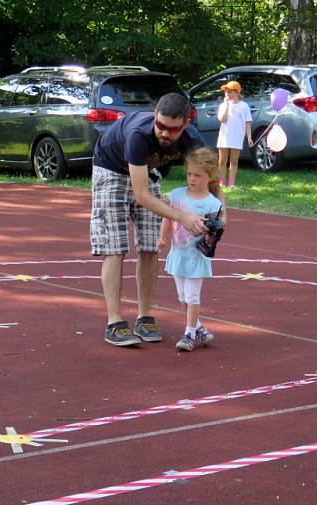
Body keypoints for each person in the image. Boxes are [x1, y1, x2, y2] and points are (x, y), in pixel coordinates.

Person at [90, 92, 224, 347]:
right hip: (110, 169)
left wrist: (221, 215)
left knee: (150, 245)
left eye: (172, 129)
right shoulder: (138, 135)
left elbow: (211, 177)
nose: (164, 133)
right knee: (115, 248)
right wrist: (182, 216)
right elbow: (141, 194)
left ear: (185, 125)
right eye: (160, 125)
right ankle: (115, 322)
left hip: (145, 171)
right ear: (155, 117)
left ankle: (145, 317)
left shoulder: (191, 140)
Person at [157, 147, 226, 351]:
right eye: (189, 174)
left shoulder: (212, 203)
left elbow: (215, 229)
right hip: (178, 253)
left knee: (192, 296)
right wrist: (162, 237)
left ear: (210, 176)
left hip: (196, 255)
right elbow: (168, 215)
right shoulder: (177, 195)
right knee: (182, 296)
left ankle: (189, 334)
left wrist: (210, 232)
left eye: (197, 175)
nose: (192, 179)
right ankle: (199, 328)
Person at [216, 81, 253, 188]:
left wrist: (249, 136)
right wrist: (227, 106)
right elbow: (222, 119)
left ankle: (232, 183)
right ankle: (221, 182)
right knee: (222, 160)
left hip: (237, 137)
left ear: (237, 93)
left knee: (234, 160)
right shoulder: (223, 105)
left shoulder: (244, 106)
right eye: (226, 92)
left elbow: (248, 122)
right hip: (224, 137)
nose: (227, 94)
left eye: (230, 92)